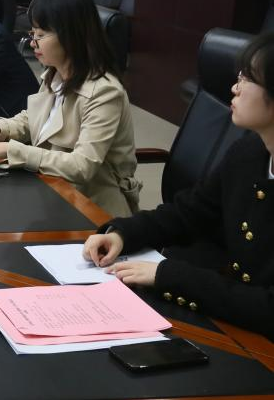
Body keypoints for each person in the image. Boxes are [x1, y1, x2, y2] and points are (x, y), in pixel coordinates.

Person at [83, 32, 274, 338]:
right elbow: (191, 212)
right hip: (233, 319)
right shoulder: (249, 152)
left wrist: (170, 276)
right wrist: (124, 233)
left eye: (248, 79)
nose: (235, 87)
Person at [0, 0, 141, 216]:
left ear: (71, 35)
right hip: (52, 189)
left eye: (41, 35)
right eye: (32, 33)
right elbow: (37, 118)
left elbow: (82, 166)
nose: (33, 42)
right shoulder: (55, 73)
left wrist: (14, 150)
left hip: (93, 207)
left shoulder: (104, 92)